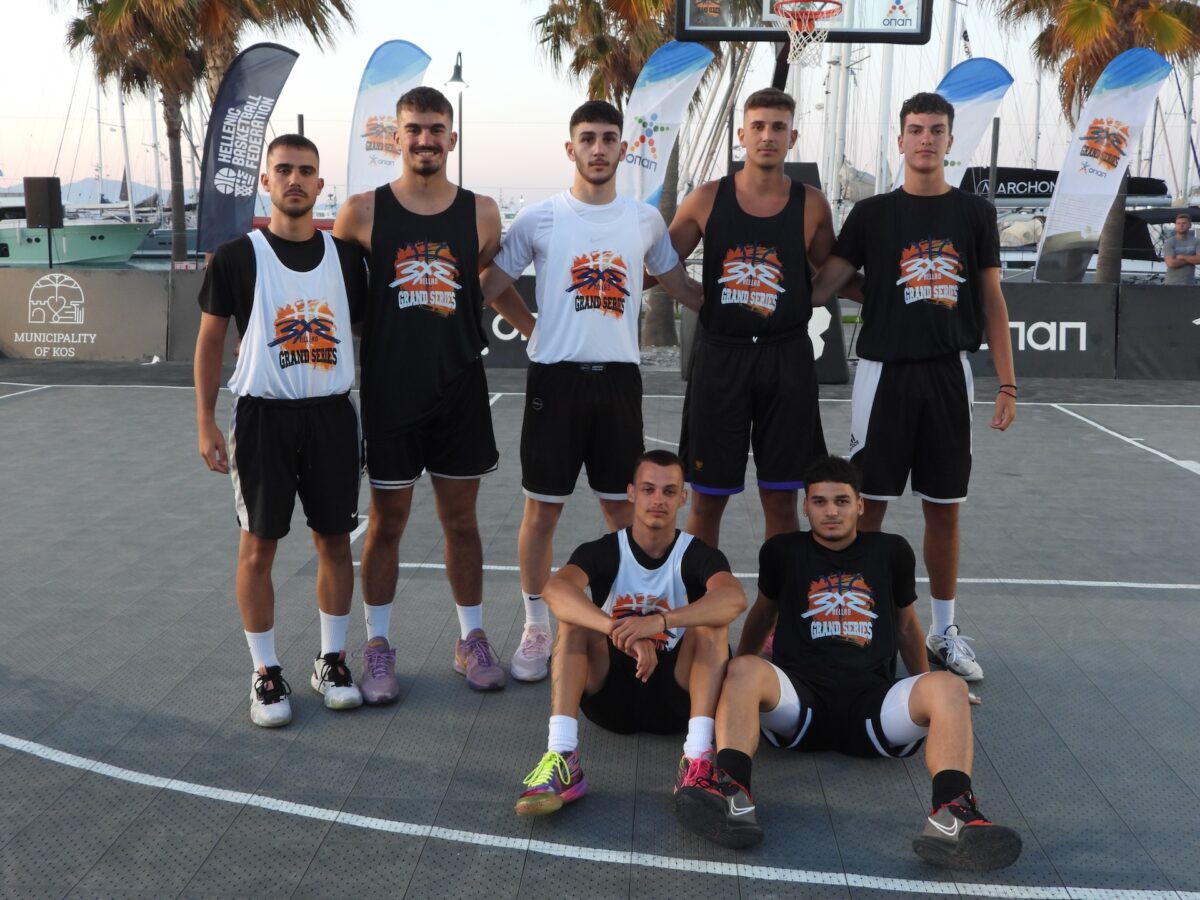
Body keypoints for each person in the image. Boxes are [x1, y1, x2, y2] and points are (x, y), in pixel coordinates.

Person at [675, 456, 1022, 872]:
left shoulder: (891, 551)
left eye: (841, 501)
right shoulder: (782, 551)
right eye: (819, 501)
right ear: (805, 507)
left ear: (860, 505)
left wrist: (930, 691)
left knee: (948, 686)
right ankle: (732, 797)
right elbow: (763, 615)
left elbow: (906, 626)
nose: (831, 511)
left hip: (873, 706)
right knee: (744, 667)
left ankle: (952, 814)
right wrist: (733, 685)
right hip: (799, 704)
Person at [481, 100, 702, 684]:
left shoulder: (644, 220)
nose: (598, 148)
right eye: (588, 138)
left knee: (620, 511)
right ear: (570, 148)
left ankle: (618, 621)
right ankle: (536, 626)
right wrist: (533, 329)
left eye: (608, 138)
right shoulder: (540, 218)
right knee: (541, 512)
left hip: (619, 384)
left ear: (623, 149)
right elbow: (493, 284)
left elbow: (679, 285)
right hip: (555, 382)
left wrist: (744, 309)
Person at [333, 87, 534, 698]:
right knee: (387, 522)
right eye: (414, 129)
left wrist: (536, 331)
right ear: (396, 138)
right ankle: (377, 646)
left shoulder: (483, 213)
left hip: (459, 389)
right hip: (391, 392)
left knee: (461, 521)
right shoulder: (360, 213)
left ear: (452, 137)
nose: (425, 139)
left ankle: (471, 639)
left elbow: (488, 282)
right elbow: (343, 303)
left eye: (435, 129)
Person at [811, 92, 1017, 682]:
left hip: (949, 374)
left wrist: (1007, 383)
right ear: (900, 140)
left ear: (949, 140)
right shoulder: (872, 214)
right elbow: (827, 283)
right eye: (916, 129)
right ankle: (863, 623)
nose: (926, 139)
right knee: (867, 506)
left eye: (936, 129)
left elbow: (991, 298)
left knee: (944, 510)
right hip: (883, 374)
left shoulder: (974, 213)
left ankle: (943, 630)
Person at [195, 134, 367, 727]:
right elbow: (211, 342)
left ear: (320, 184)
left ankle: (331, 661)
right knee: (258, 548)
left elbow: (366, 331)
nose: (295, 179)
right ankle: (265, 671)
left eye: (306, 171)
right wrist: (205, 421)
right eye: (284, 170)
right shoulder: (236, 257)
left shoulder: (346, 258)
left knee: (335, 542)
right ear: (266, 181)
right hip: (263, 418)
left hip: (331, 416)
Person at [513, 450, 746, 816]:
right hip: (610, 696)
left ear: (683, 498)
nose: (658, 499)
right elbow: (556, 590)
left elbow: (734, 599)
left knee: (711, 623)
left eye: (669, 491)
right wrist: (619, 630)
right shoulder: (604, 550)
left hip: (677, 698)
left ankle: (698, 759)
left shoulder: (697, 554)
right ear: (632, 493)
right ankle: (562, 755)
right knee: (574, 621)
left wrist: (659, 622)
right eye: (649, 489)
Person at [668, 87, 832, 550]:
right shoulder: (706, 199)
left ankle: (779, 598)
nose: (767, 136)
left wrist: (885, 295)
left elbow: (834, 273)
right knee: (707, 500)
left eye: (778, 127)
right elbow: (657, 263)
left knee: (781, 500)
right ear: (742, 134)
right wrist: (689, 295)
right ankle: (701, 597)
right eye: (758, 126)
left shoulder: (812, 204)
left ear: (792, 137)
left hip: (787, 359)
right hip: (722, 359)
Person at [1162, 212, 1199, 285]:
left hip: (1190, 283)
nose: (1181, 225)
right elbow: (1171, 263)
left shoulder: (1196, 242)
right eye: (1178, 223)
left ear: (1190, 225)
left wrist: (1183, 257)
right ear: (1175, 225)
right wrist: (1191, 259)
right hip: (1171, 283)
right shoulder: (1169, 242)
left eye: (1184, 223)